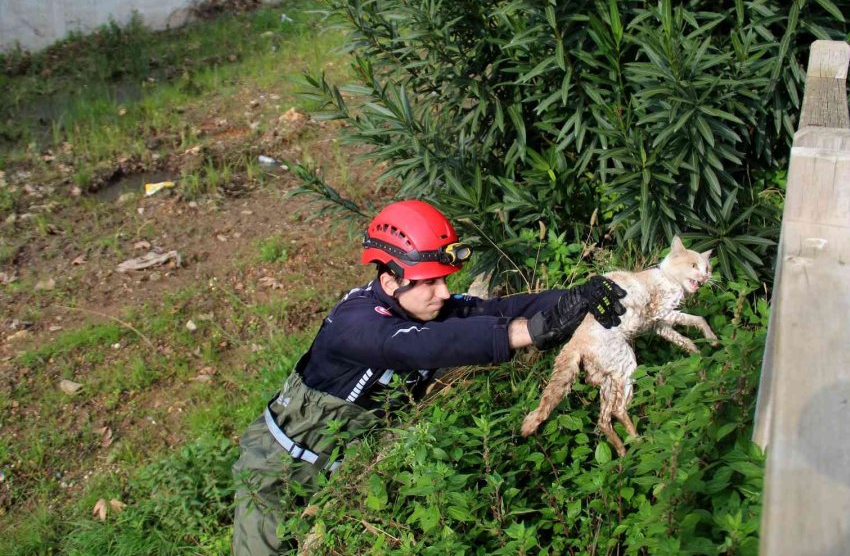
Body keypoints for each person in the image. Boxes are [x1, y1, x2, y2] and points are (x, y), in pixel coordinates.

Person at [231, 200, 626, 555]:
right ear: (390, 282)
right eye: (431, 282)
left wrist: (581, 296)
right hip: (275, 475)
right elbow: (419, 347)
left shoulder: (429, 308)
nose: (444, 293)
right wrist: (534, 332)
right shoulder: (354, 322)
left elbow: (499, 309)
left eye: (445, 279)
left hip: (346, 475)